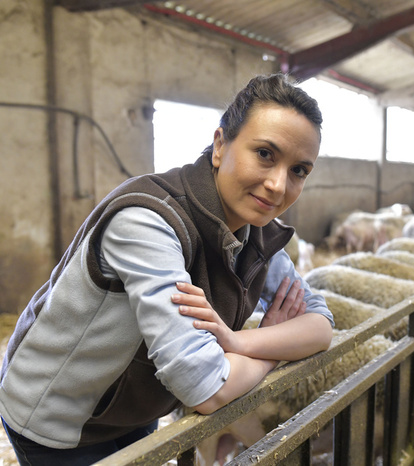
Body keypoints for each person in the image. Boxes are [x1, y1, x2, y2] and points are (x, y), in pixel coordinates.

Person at [0, 73, 334, 465]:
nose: (279, 184)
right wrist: (276, 349)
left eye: (299, 170)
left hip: (134, 407)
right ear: (221, 145)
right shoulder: (147, 222)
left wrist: (240, 342)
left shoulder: (256, 233)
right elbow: (205, 387)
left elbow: (321, 326)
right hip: (59, 420)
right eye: (265, 154)